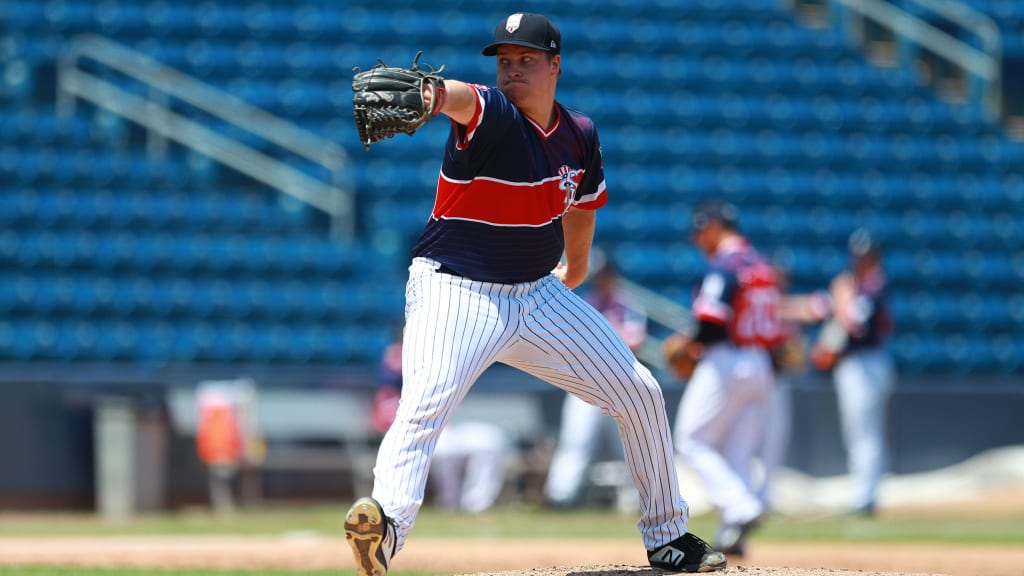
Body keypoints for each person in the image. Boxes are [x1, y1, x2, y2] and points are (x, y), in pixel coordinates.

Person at [344, 13, 726, 576]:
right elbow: (457, 97)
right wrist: (427, 94)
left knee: (640, 391)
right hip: (457, 288)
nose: (512, 71)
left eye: (526, 60)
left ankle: (667, 537)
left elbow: (582, 212)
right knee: (424, 404)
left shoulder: (580, 135)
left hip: (536, 293)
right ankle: (386, 528)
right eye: (504, 61)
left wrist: (571, 274)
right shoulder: (495, 114)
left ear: (555, 66)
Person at [663, 199, 786, 557]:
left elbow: (712, 321)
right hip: (760, 362)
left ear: (714, 227)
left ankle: (742, 508)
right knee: (738, 452)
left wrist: (690, 344)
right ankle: (735, 535)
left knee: (690, 439)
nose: (698, 239)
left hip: (727, 359)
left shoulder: (725, 265)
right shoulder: (761, 264)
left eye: (700, 230)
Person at [780, 228, 895, 517]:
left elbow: (854, 325)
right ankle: (866, 493)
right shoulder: (856, 285)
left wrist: (839, 303)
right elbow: (819, 308)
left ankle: (865, 496)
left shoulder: (872, 287)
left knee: (864, 432)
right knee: (861, 431)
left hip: (866, 363)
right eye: (859, 256)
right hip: (859, 364)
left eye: (867, 256)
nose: (862, 260)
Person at [543, 257, 645, 511]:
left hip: (620, 384)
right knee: (576, 441)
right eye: (600, 275)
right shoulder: (585, 301)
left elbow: (634, 341)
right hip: (585, 383)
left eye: (607, 274)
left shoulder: (628, 304)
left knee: (630, 445)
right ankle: (560, 497)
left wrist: (600, 341)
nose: (603, 279)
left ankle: (638, 500)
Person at [371, 331, 509, 514]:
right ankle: (449, 505)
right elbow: (388, 418)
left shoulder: (439, 359)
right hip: (416, 433)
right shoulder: (392, 374)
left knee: (490, 441)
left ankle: (477, 506)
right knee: (444, 450)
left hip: (448, 428)